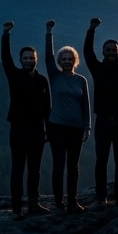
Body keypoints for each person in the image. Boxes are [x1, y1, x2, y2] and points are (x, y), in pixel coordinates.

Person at [83, 15, 118, 206]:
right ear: (103, 52)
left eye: (114, 50)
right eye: (108, 50)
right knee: (102, 160)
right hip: (103, 120)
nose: (111, 52)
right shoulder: (96, 68)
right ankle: (101, 197)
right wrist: (91, 30)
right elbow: (87, 52)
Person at [0, 22, 51, 216]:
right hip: (19, 129)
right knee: (18, 169)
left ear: (36, 59)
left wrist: (48, 129)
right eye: (25, 58)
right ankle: (16, 208)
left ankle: (33, 203)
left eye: (32, 58)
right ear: (21, 60)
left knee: (35, 170)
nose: (29, 60)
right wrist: (6, 35)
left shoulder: (42, 81)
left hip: (38, 130)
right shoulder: (14, 75)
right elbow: (5, 58)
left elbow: (48, 108)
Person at [44, 21, 91, 214]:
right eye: (63, 58)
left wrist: (87, 127)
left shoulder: (81, 80)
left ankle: (72, 201)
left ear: (75, 60)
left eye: (69, 58)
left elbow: (86, 105)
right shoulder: (54, 76)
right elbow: (47, 57)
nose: (66, 61)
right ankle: (58, 203)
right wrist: (49, 33)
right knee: (58, 166)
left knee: (73, 167)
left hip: (76, 128)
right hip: (57, 126)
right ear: (59, 61)